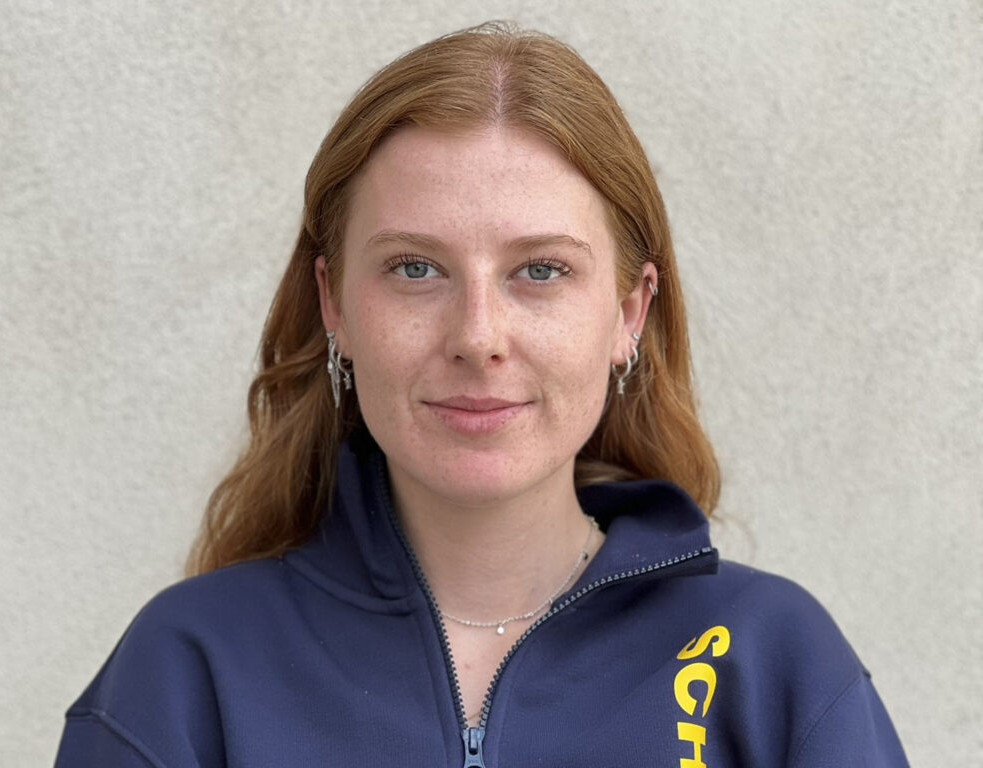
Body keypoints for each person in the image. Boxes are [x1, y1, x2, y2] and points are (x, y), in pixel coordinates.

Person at [55, 22, 908, 767]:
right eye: (414, 268)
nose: (477, 335)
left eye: (540, 271)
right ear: (334, 305)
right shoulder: (184, 676)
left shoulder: (776, 667)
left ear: (629, 313)